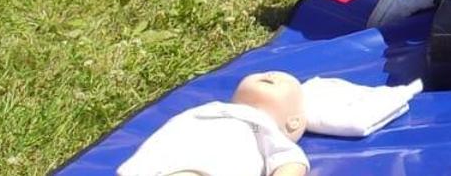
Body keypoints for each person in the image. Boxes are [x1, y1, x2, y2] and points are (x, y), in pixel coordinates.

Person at [117, 72, 309, 176]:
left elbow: (291, 163)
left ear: (294, 122)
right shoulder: (211, 109)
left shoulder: (267, 129)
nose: (271, 74)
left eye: (283, 81)